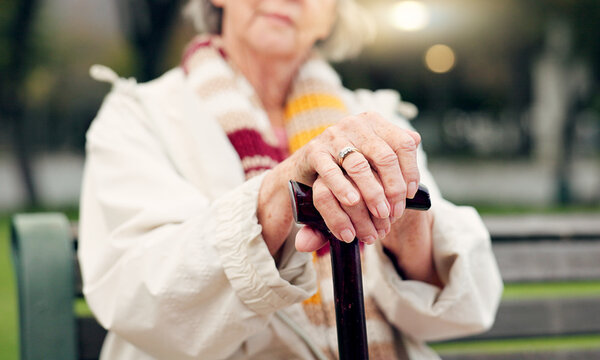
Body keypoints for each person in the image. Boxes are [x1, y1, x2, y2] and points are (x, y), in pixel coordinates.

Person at [79, 0, 503, 359]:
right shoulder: (138, 115)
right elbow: (140, 295)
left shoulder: (378, 118)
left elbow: (461, 309)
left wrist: (403, 219)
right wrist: (280, 193)